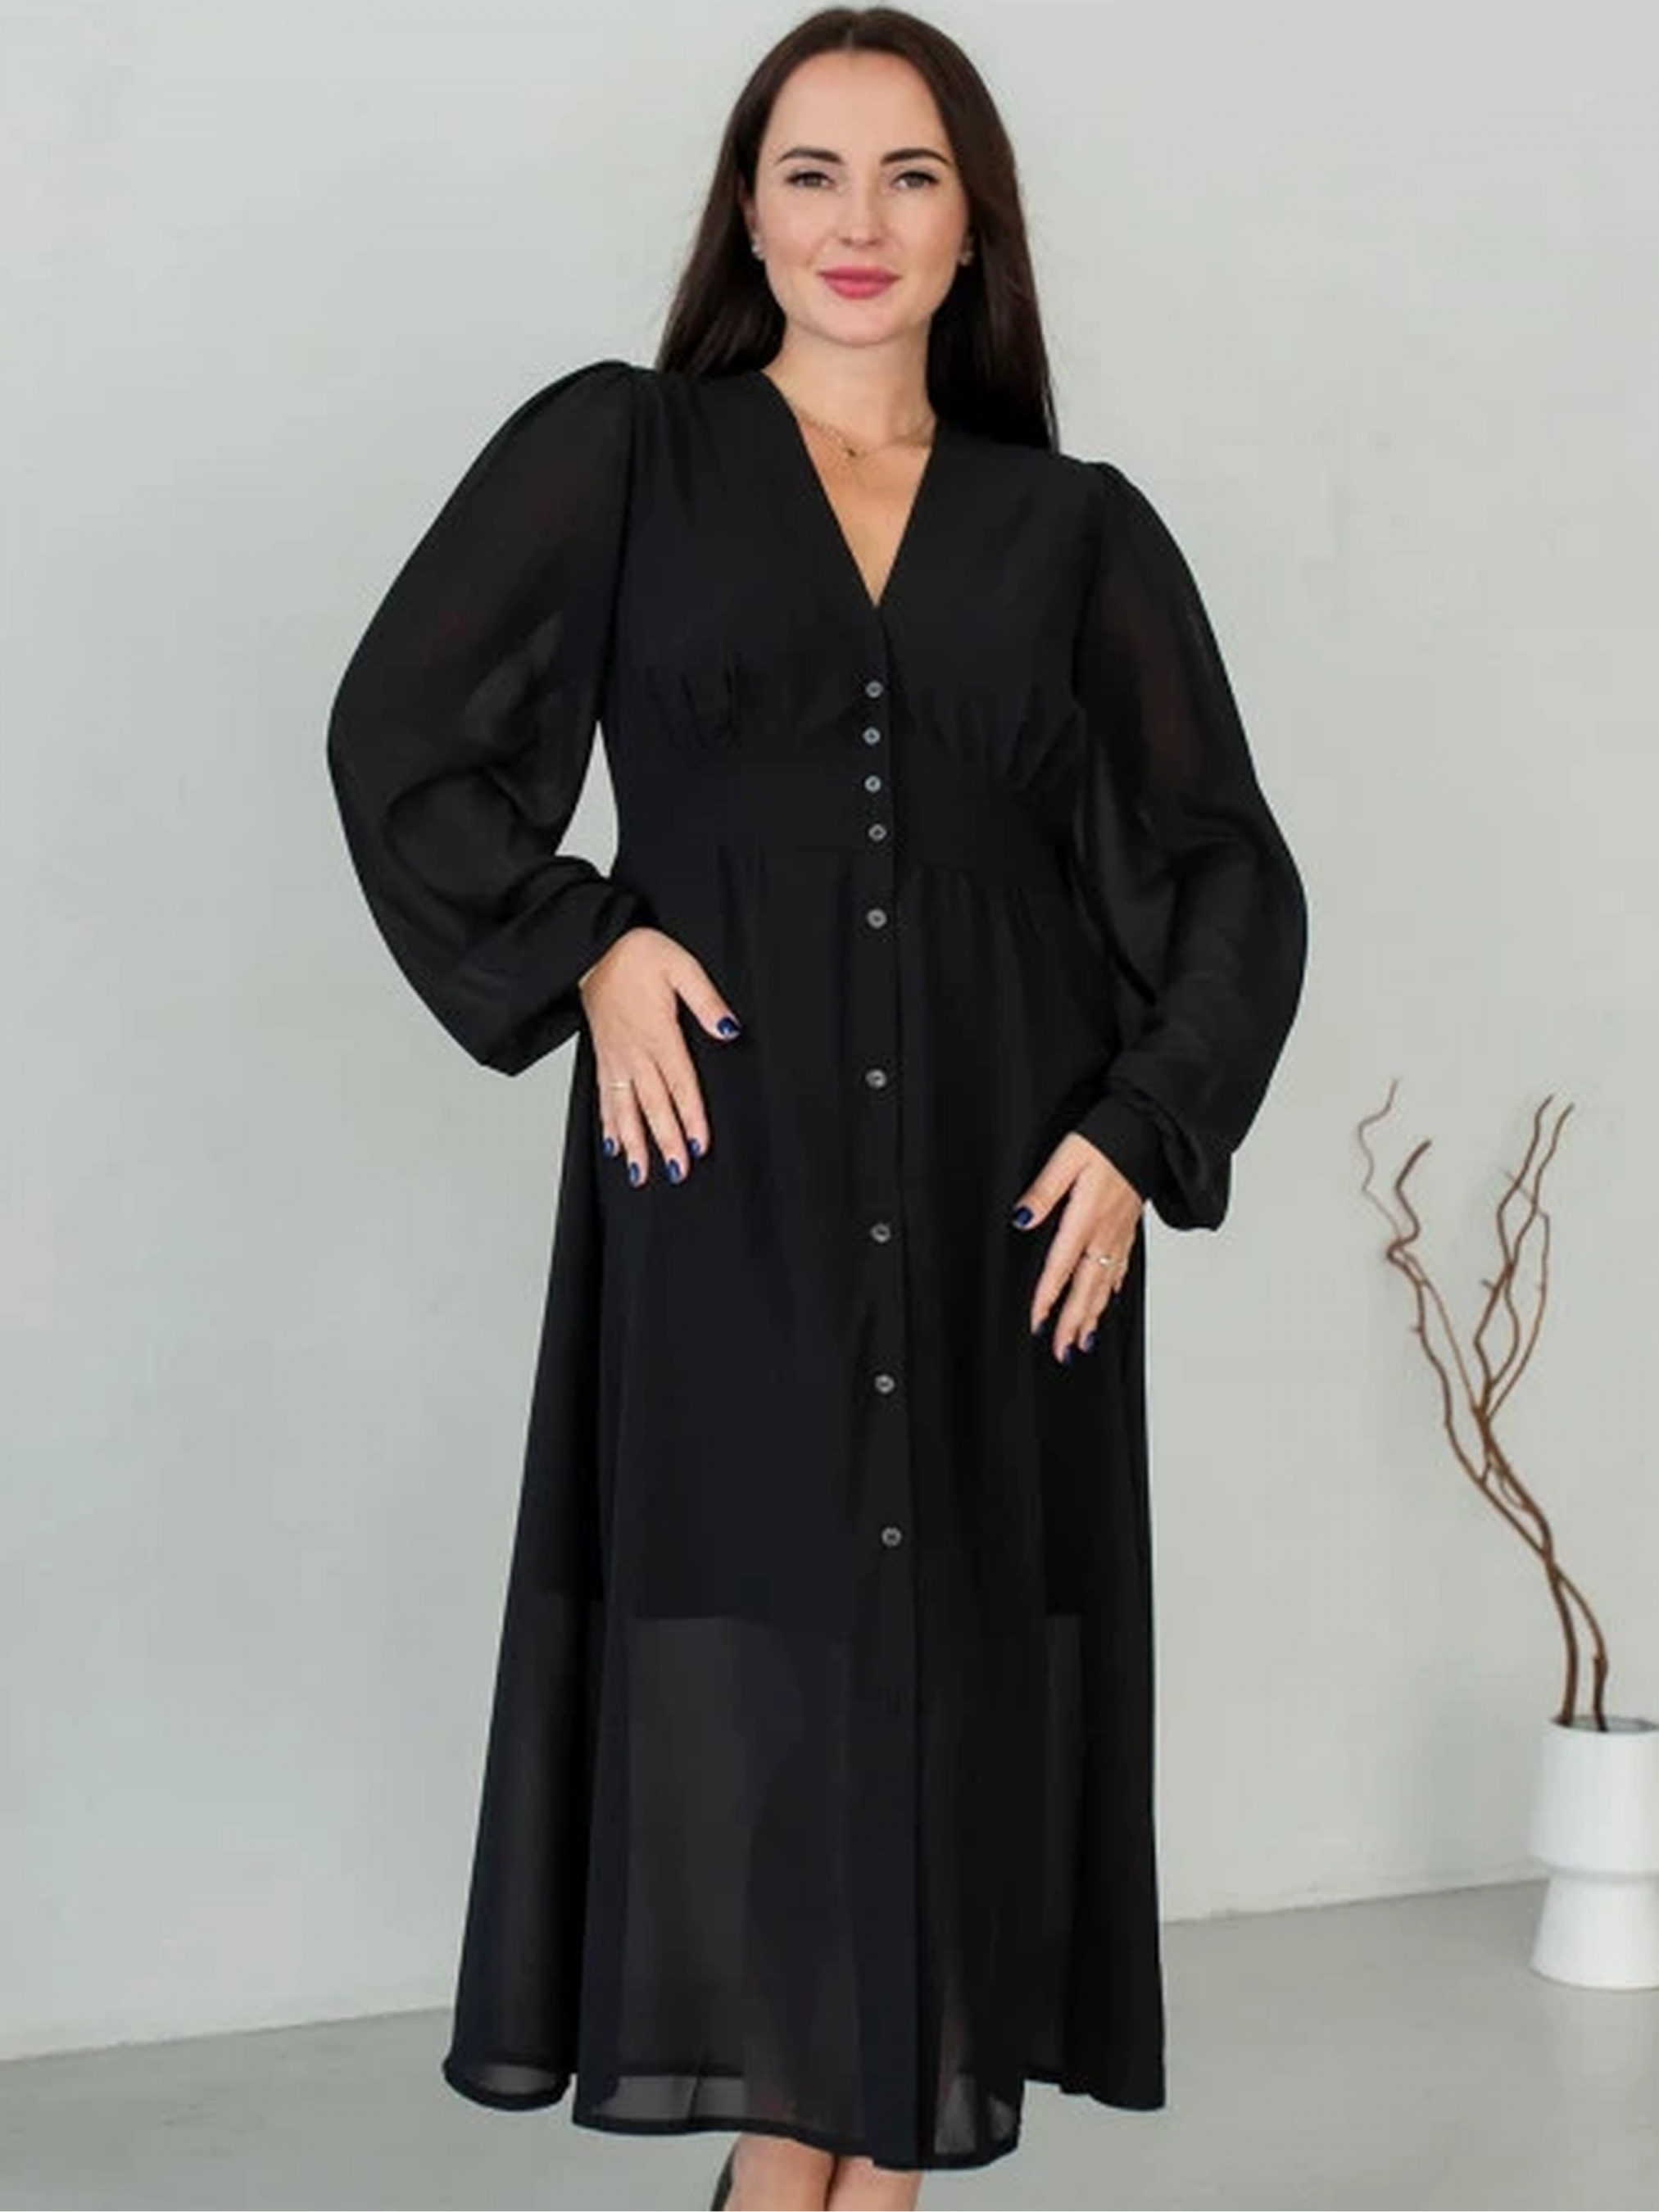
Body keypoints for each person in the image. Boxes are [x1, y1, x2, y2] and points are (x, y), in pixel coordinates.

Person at [324, 7, 1308, 2208]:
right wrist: (587, 940)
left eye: (910, 175)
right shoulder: (625, 455)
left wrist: (1147, 1125)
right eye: (811, 172)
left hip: (1001, 1207)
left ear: (974, 230)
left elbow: (1221, 866)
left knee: (944, 1740)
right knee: (778, 1714)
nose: (859, 221)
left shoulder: (1074, 534)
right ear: (748, 216)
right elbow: (403, 731)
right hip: (726, 1190)